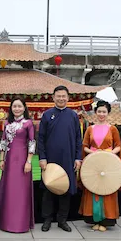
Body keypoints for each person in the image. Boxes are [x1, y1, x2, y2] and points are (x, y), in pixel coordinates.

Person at [38, 85, 82, 232]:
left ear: (68, 98)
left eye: (64, 96)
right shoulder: (47, 115)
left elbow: (78, 138)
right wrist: (42, 157)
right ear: (53, 97)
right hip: (50, 159)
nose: (61, 98)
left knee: (66, 189)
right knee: (48, 189)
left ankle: (62, 220)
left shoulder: (73, 116)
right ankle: (47, 219)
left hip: (68, 158)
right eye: (59, 96)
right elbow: (41, 138)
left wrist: (78, 158)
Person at [79, 100, 121, 232]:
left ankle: (106, 219)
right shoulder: (90, 129)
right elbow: (84, 146)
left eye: (104, 112)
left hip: (108, 163)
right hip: (93, 162)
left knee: (107, 187)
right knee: (93, 187)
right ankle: (94, 218)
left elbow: (118, 146)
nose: (101, 114)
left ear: (108, 113)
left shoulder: (112, 129)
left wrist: (108, 153)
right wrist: (93, 152)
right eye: (99, 111)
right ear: (95, 112)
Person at [0, 97, 35, 233]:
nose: (17, 109)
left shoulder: (28, 123)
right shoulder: (7, 123)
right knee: (9, 190)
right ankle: (5, 222)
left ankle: (20, 223)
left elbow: (32, 142)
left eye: (19, 106)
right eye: (14, 106)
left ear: (24, 108)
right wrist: (1, 159)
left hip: (23, 161)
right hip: (9, 161)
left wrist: (29, 161)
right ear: (11, 108)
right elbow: (3, 142)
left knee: (21, 191)